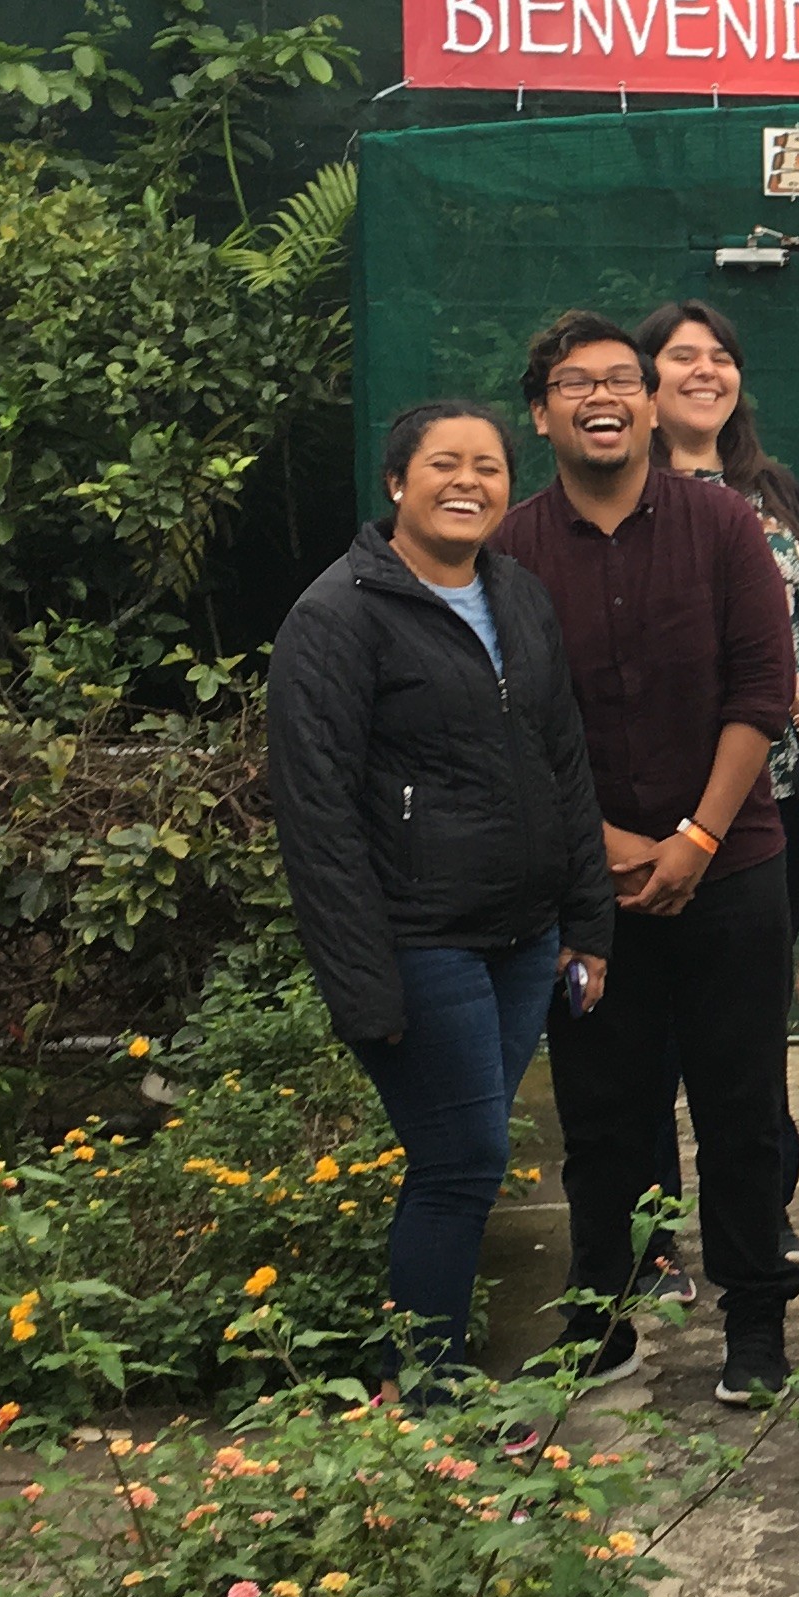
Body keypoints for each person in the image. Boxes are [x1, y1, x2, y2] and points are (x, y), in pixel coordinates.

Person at [267, 401, 617, 1382]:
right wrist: (363, 986)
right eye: (443, 465)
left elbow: (565, 762)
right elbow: (317, 814)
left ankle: (418, 1370)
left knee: (460, 1163)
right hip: (420, 942)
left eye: (489, 468)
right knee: (462, 1158)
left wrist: (588, 919)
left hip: (522, 938)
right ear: (395, 483)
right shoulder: (337, 616)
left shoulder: (519, 596)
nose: (467, 483)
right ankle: (420, 1381)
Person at [496, 310, 799, 1407]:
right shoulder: (509, 551)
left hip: (733, 869)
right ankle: (600, 1321)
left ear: (649, 401)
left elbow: (760, 692)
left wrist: (696, 838)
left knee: (739, 1099)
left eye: (624, 379)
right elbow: (514, 726)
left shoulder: (725, 527)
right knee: (603, 1109)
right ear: (541, 411)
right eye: (576, 382)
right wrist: (612, 848)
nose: (605, 397)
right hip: (589, 889)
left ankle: (755, 1323)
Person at [638, 296, 799, 1271]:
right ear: (644, 382)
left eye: (721, 356)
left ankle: (761, 1214)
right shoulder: (615, 496)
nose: (706, 371)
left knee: (749, 1031)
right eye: (683, 357)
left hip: (774, 808)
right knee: (647, 1040)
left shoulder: (779, 495)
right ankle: (650, 1238)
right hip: (644, 818)